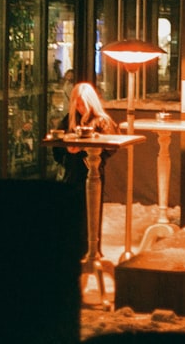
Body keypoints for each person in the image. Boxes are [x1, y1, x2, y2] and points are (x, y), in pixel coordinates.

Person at [54, 82, 119, 251]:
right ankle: (76, 249)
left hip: (91, 171)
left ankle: (92, 249)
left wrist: (86, 148)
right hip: (73, 171)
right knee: (72, 212)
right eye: (78, 104)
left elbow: (111, 145)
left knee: (90, 212)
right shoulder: (69, 119)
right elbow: (57, 145)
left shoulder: (101, 121)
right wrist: (67, 148)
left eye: (83, 103)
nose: (81, 107)